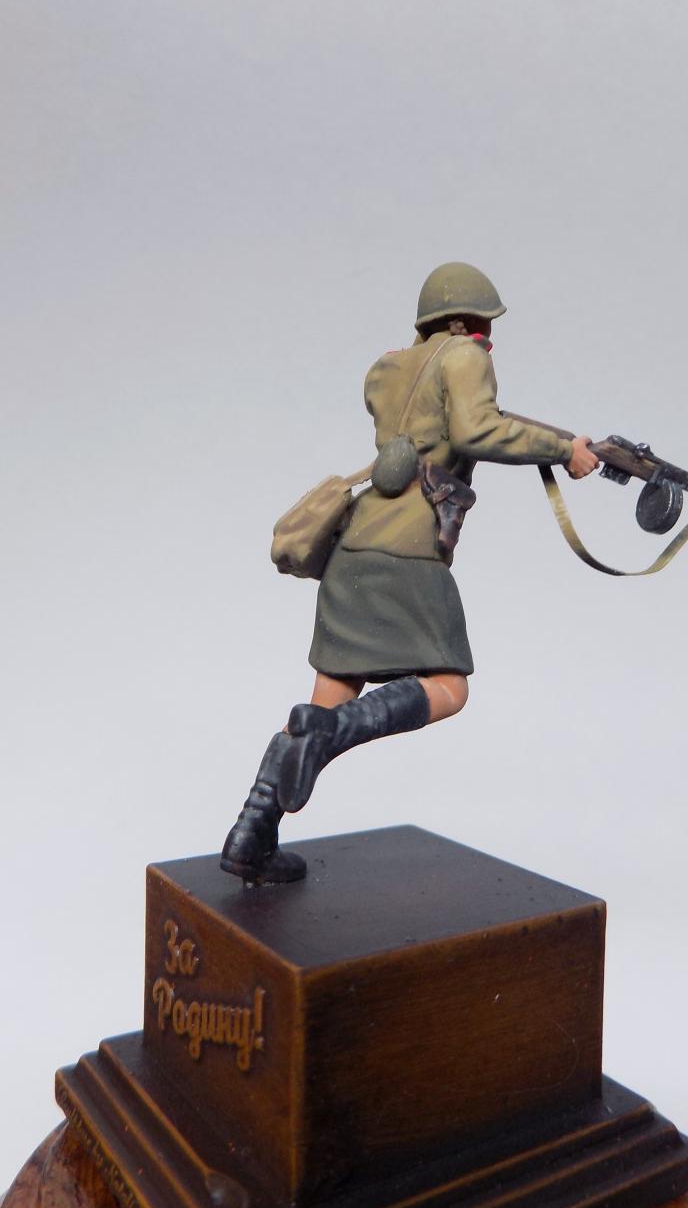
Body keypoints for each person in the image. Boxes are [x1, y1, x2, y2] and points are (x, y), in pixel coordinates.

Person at [220, 262, 599, 883]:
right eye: (483, 326)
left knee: (323, 697)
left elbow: (432, 428)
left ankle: (251, 832)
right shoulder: (465, 357)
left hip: (353, 550)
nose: (487, 338)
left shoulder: (387, 368)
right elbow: (475, 429)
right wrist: (565, 451)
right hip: (409, 552)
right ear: (463, 323)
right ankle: (332, 731)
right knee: (449, 688)